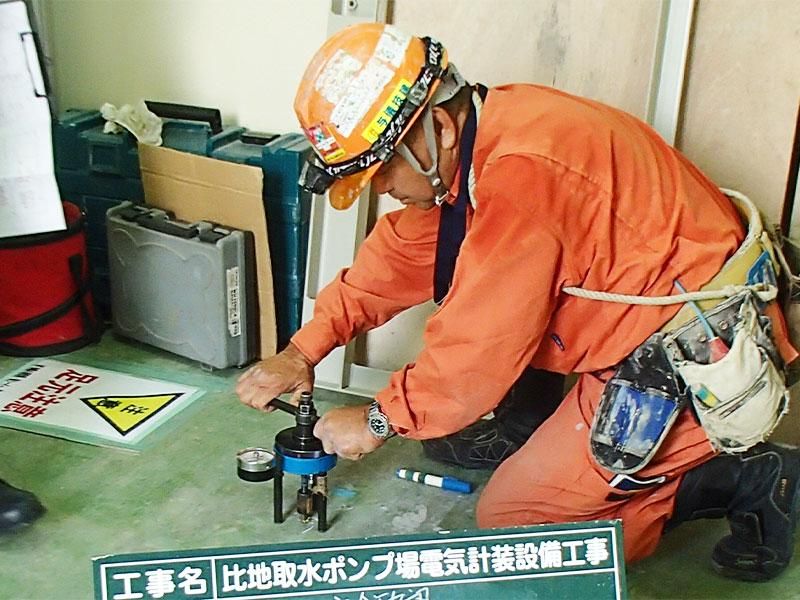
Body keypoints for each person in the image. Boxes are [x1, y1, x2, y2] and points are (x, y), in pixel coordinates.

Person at [236, 23, 800, 581]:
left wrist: (378, 420)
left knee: (519, 527)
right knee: (469, 392)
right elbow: (398, 260)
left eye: (382, 170)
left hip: (692, 350)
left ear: (437, 127)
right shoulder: (489, 136)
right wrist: (301, 352)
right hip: (635, 318)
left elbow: (475, 353)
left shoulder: (523, 177)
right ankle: (537, 438)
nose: (381, 188)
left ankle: (745, 477)